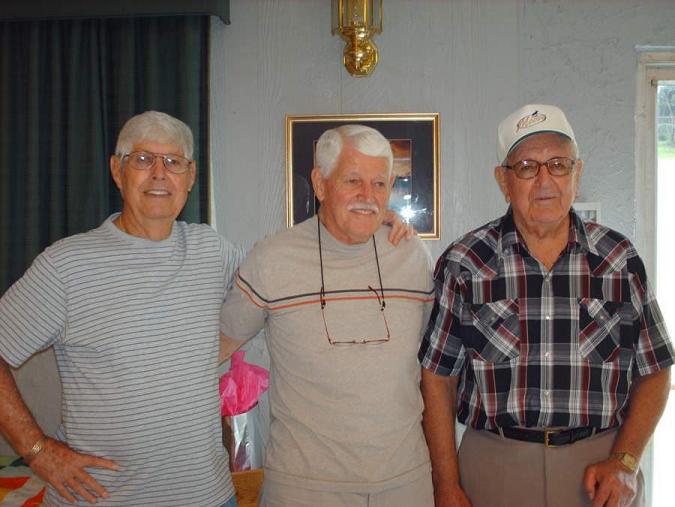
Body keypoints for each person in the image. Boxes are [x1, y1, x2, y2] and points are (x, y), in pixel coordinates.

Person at [419, 104, 674, 507]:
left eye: (558, 165)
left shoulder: (619, 258)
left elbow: (655, 370)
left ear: (577, 173)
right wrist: (445, 484)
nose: (545, 181)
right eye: (526, 167)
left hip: (599, 469)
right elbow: (437, 379)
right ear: (503, 180)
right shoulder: (465, 262)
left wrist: (625, 461)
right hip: (493, 467)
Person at [0, 111, 246, 506]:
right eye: (143, 159)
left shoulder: (212, 251)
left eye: (174, 161)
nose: (159, 174)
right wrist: (38, 451)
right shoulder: (67, 265)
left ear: (191, 176)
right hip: (102, 498)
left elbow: (274, 290)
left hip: (208, 497)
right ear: (117, 171)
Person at [219, 125, 435, 507]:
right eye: (353, 181)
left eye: (379, 184)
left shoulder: (412, 255)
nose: (368, 196)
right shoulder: (272, 258)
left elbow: (436, 366)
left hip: (406, 484)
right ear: (320, 184)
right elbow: (215, 349)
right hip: (304, 488)